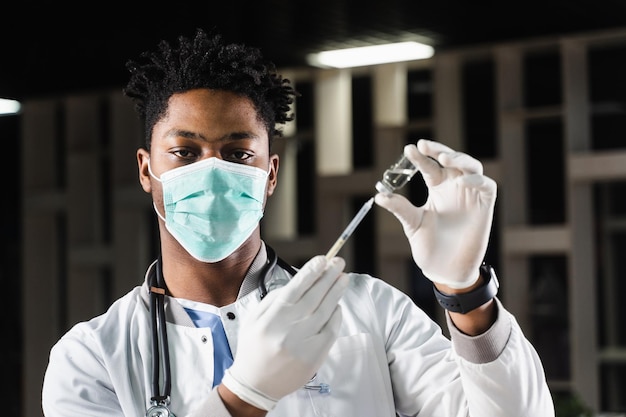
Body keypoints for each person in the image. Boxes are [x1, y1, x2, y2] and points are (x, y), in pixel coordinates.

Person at [41, 28, 555, 417]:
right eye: (185, 151)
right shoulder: (93, 357)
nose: (212, 172)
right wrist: (243, 398)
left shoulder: (367, 313)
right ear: (146, 170)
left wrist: (466, 293)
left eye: (238, 154)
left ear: (270, 174)